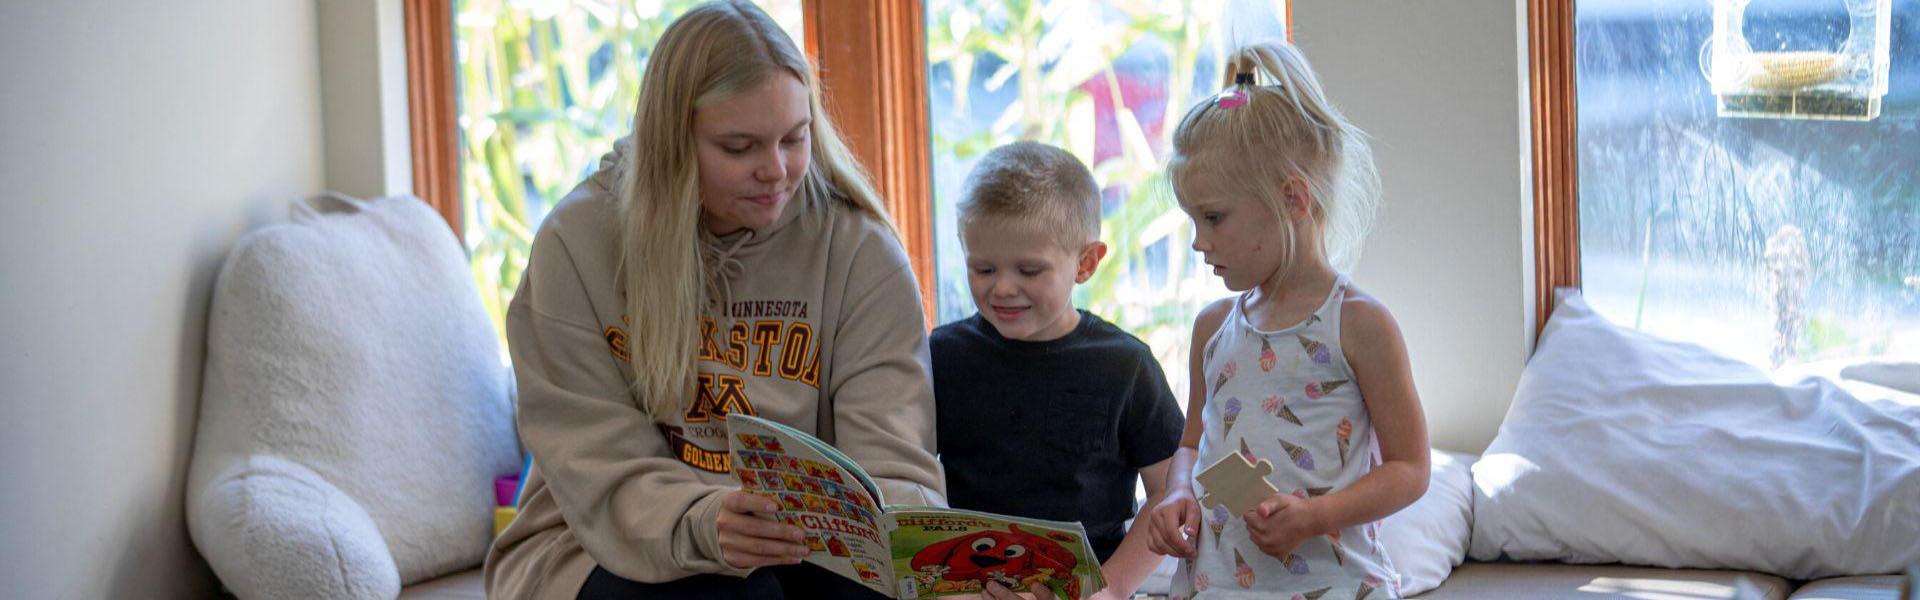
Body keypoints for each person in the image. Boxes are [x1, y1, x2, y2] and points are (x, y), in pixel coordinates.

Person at [481, 3, 945, 599]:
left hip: (804, 543)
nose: (776, 171)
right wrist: (707, 522)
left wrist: (913, 552)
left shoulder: (859, 251)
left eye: (794, 139)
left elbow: (892, 468)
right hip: (595, 541)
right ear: (672, 143)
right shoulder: (576, 245)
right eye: (739, 147)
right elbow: (598, 469)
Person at [1143, 41, 1431, 599]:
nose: (1199, 242)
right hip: (1216, 585)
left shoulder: (1360, 324)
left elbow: (1410, 468)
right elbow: (1192, 444)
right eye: (1192, 220)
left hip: (1335, 585)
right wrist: (1177, 494)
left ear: (1293, 198)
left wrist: (1317, 514)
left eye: (1214, 218)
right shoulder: (1212, 327)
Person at [931, 142, 1186, 600]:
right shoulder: (941, 355)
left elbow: (1172, 493)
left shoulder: (1125, 365)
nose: (1003, 287)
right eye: (983, 268)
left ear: (1086, 263)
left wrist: (1111, 589)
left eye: (1029, 270)